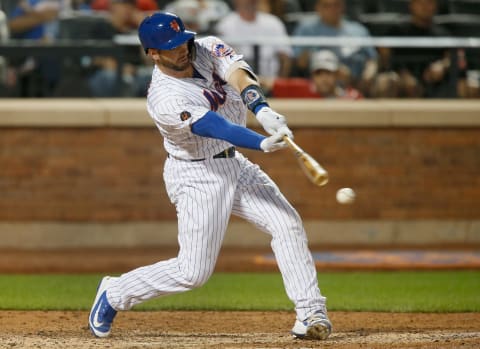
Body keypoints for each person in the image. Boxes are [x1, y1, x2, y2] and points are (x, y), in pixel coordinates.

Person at [88, 11, 332, 341]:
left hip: (235, 164)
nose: (182, 48)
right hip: (197, 173)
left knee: (287, 224)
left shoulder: (204, 47)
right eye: (171, 46)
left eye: (182, 40)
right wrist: (260, 141)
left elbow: (239, 74)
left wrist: (261, 109)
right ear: (153, 53)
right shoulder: (165, 97)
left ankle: (310, 312)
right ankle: (115, 293)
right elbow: (215, 127)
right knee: (193, 273)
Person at [292, 0, 378, 94]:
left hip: (357, 81)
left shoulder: (359, 30)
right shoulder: (307, 29)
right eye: (327, 6)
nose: (332, 9)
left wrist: (367, 76)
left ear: (343, 6)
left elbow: (372, 59)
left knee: (388, 82)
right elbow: (300, 63)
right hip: (321, 82)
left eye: (336, 5)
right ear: (318, 8)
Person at [383, 0, 465, 98]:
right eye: (420, 3)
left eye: (429, 3)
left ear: (436, 6)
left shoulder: (443, 33)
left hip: (435, 82)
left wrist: (442, 65)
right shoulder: (397, 31)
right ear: (411, 5)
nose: (425, 7)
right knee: (387, 81)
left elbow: (455, 57)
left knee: (465, 85)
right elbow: (385, 55)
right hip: (402, 80)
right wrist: (401, 73)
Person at [215, 0, 293, 79]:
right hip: (237, 83)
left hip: (270, 82)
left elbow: (285, 57)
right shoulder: (225, 25)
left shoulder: (273, 22)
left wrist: (278, 84)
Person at [265, 49, 362, 99]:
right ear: (312, 76)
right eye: (318, 73)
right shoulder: (302, 88)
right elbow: (267, 83)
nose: (323, 78)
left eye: (328, 73)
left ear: (337, 75)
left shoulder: (351, 97)